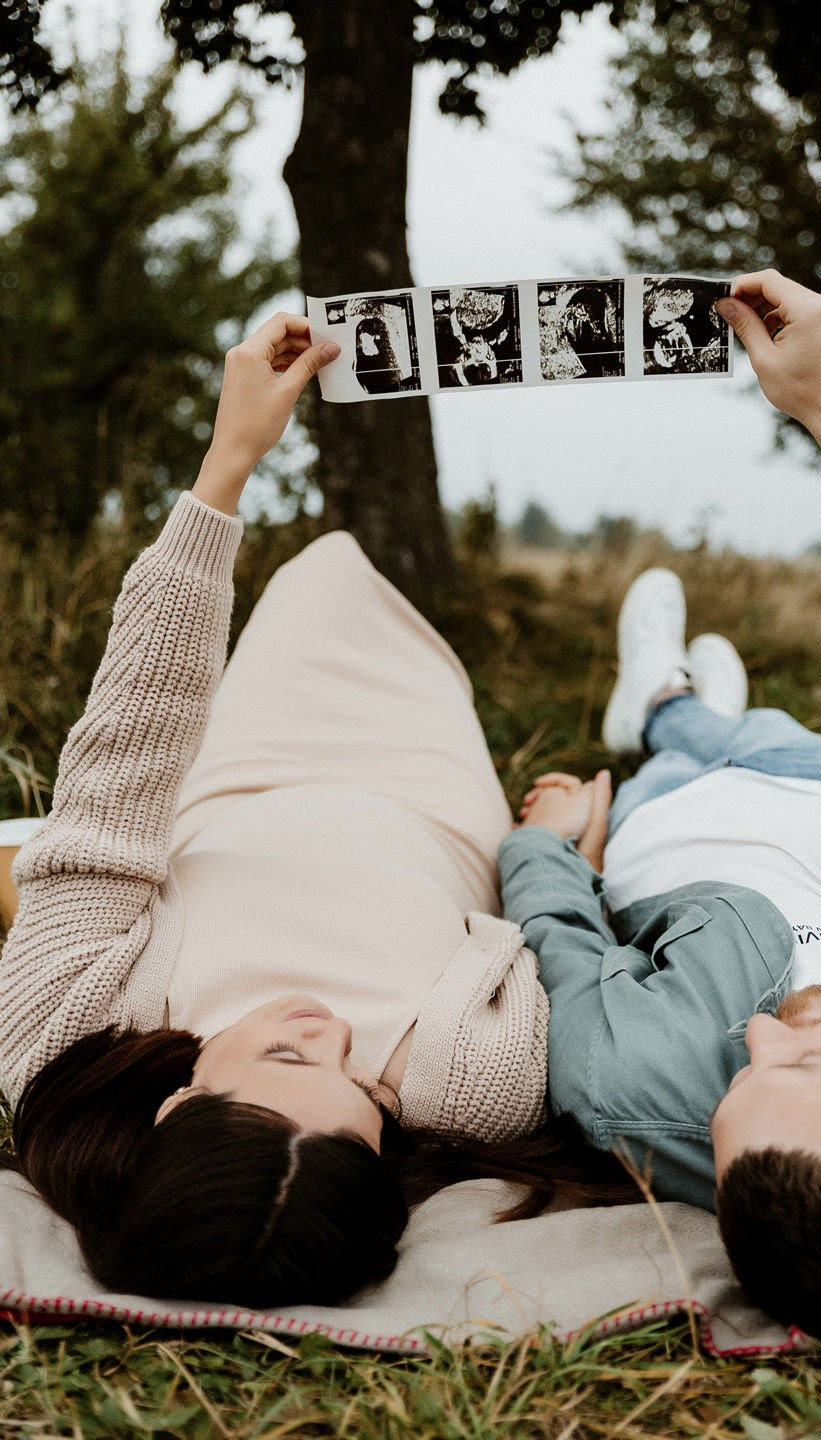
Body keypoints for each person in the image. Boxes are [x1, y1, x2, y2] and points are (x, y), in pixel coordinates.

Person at [0, 313, 632, 1309]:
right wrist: (551, 847)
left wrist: (228, 464)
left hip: (243, 767)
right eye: (359, 1094)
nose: (331, 1033)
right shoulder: (477, 1086)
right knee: (398, 631)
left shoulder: (64, 1035)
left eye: (288, 1055)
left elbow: (128, 752)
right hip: (425, 793)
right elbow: (544, 937)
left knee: (317, 577)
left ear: (177, 1107)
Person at [500, 269, 821, 1347]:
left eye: (736, 1087)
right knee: (759, 729)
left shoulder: (626, 1087)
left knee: (691, 744)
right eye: (802, 1064)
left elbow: (558, 934)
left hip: (679, 815)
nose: (753, 1034)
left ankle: (664, 706)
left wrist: (548, 840)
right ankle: (687, 702)